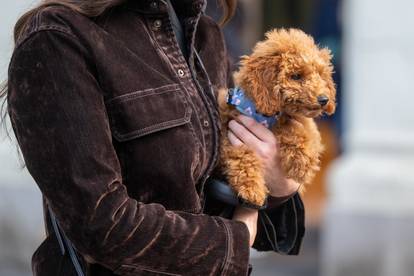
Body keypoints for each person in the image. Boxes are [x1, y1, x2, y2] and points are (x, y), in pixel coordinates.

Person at [2, 0, 305, 275]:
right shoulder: (57, 37)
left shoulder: (204, 33)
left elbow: (217, 184)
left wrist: (279, 185)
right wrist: (234, 240)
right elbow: (100, 225)